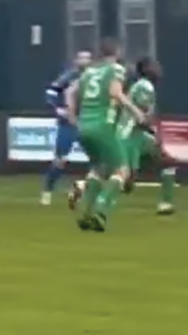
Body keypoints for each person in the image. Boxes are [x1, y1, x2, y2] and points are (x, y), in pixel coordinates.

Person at [68, 57, 178, 215]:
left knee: (122, 174)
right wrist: (153, 130)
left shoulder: (136, 86)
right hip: (131, 136)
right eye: (155, 67)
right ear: (147, 70)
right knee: (124, 178)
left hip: (132, 134)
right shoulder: (145, 86)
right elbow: (142, 116)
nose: (159, 70)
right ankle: (98, 202)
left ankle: (83, 186)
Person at [65, 39, 145, 232]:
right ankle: (101, 210)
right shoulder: (116, 69)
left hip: (85, 127)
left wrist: (72, 115)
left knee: (98, 170)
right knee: (121, 171)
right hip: (104, 126)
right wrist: (135, 111)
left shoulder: (89, 72)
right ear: (117, 52)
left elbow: (70, 91)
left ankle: (86, 214)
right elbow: (115, 92)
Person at [40, 51, 92, 205]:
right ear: (76, 61)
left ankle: (85, 189)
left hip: (87, 122)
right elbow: (50, 92)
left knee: (98, 160)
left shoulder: (94, 78)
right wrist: (57, 108)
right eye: (82, 58)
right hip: (68, 123)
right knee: (60, 160)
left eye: (87, 58)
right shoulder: (69, 77)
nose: (85, 61)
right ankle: (47, 190)